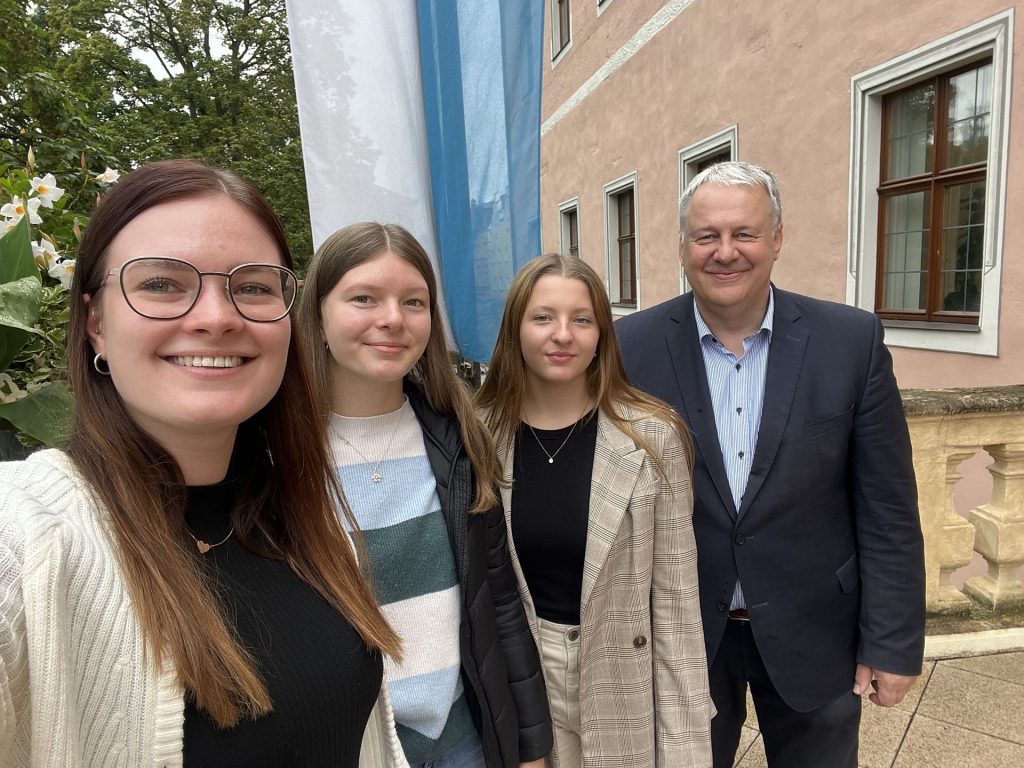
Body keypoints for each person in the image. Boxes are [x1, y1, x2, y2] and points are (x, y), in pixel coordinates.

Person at [0, 160, 405, 767]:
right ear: (95, 324)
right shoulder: (24, 535)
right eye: (161, 284)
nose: (217, 317)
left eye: (252, 286)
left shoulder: (309, 532)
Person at [616, 161, 925, 768]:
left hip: (818, 628)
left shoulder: (850, 341)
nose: (725, 252)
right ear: (682, 245)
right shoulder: (630, 348)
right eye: (706, 236)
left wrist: (891, 642)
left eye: (745, 234)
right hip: (682, 634)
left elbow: (887, 505)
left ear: (777, 238)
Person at [297, 222, 552, 768]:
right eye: (364, 298)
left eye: (413, 301)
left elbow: (500, 600)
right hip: (352, 747)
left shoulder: (456, 437)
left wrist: (530, 746)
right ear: (317, 315)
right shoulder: (276, 451)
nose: (392, 318)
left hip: (460, 739)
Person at [476, 253, 713, 767]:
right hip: (518, 683)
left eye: (581, 319)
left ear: (602, 332)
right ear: (514, 328)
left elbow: (676, 604)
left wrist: (685, 748)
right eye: (543, 317)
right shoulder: (477, 437)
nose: (563, 334)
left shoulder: (652, 436)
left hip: (623, 682)